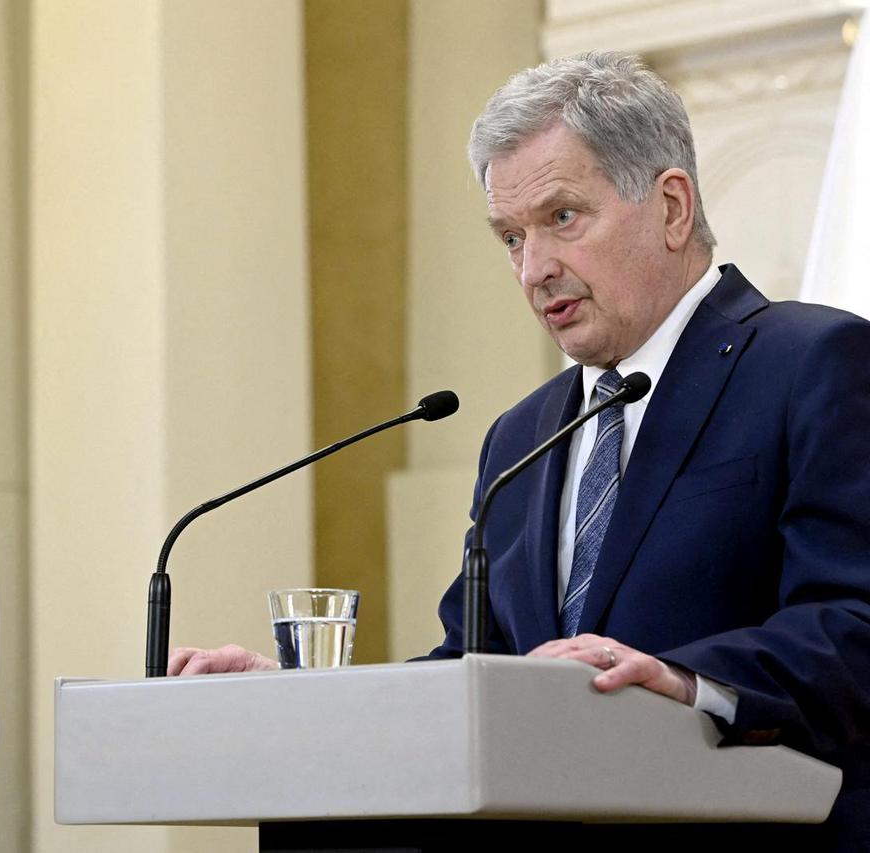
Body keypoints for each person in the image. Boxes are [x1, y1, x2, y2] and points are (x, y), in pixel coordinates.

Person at [169, 52, 870, 848]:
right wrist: (308, 702)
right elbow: (478, 672)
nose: (534, 269)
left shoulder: (812, 362)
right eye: (511, 237)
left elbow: (854, 621)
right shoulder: (523, 435)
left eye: (561, 217)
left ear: (672, 207)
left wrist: (686, 681)